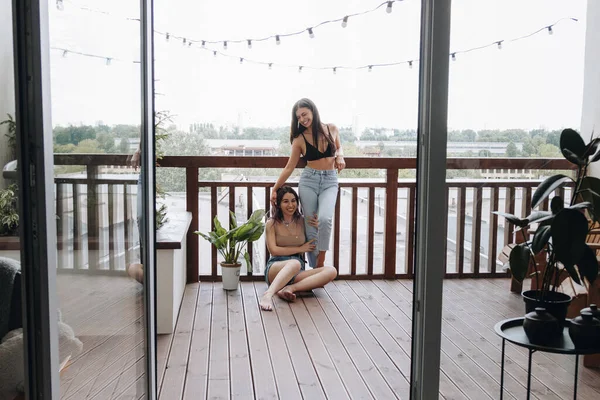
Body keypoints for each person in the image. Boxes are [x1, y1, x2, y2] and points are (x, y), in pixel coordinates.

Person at [271, 98, 346, 269]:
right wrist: (275, 189)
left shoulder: (331, 128)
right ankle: (314, 270)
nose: (302, 119)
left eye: (304, 114)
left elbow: (339, 146)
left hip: (330, 180)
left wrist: (340, 155)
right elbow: (289, 167)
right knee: (310, 225)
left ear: (313, 110)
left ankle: (321, 262)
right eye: (298, 117)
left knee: (325, 219)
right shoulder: (299, 139)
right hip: (309, 181)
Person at [260, 186, 337, 311]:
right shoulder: (271, 223)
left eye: (293, 200)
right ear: (278, 204)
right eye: (285, 201)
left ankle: (290, 289)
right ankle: (268, 294)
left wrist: (318, 227)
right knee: (295, 263)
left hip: (296, 272)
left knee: (331, 271)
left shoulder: (303, 221)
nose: (291, 205)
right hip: (276, 268)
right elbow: (273, 250)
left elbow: (315, 240)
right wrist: (300, 249)